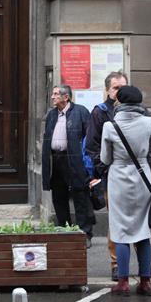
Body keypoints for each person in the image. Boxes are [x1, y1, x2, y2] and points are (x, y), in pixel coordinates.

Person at [85, 71, 151, 281]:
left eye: (122, 87)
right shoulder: (100, 113)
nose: (119, 91)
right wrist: (101, 171)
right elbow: (91, 146)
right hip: (127, 175)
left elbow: (105, 154)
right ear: (107, 91)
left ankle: (134, 272)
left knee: (123, 226)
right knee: (127, 226)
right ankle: (122, 267)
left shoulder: (141, 114)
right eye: (116, 87)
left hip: (122, 174)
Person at [100, 86, 151, 296]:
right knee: (142, 230)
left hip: (119, 179)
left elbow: (105, 158)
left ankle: (123, 281)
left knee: (120, 230)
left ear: (120, 102)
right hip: (143, 177)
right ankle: (145, 281)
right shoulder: (148, 123)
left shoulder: (110, 125)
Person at [41, 84, 95, 246]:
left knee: (80, 194)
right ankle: (64, 229)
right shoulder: (51, 115)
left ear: (66, 97)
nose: (52, 97)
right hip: (55, 160)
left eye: (56, 94)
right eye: (52, 94)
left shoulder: (80, 112)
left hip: (74, 159)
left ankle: (84, 232)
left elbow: (90, 137)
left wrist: (89, 161)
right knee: (58, 195)